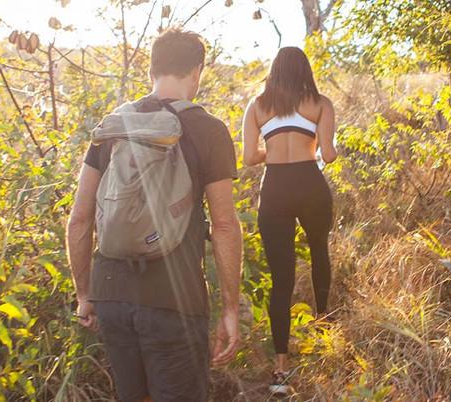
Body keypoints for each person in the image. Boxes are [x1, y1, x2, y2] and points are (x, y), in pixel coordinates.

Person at [66, 28, 243, 402]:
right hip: (174, 301)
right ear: (197, 72)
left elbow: (80, 219)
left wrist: (85, 293)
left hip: (112, 292)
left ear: (152, 69)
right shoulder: (209, 129)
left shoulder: (114, 125)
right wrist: (230, 309)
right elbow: (225, 224)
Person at [241, 46, 337, 396]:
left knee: (281, 278)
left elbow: (250, 157)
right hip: (311, 183)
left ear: (274, 70)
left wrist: (276, 147)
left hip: (275, 188)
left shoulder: (257, 105)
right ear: (305, 71)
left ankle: (281, 368)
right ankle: (325, 329)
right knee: (319, 255)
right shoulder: (321, 103)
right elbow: (328, 154)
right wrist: (308, 146)